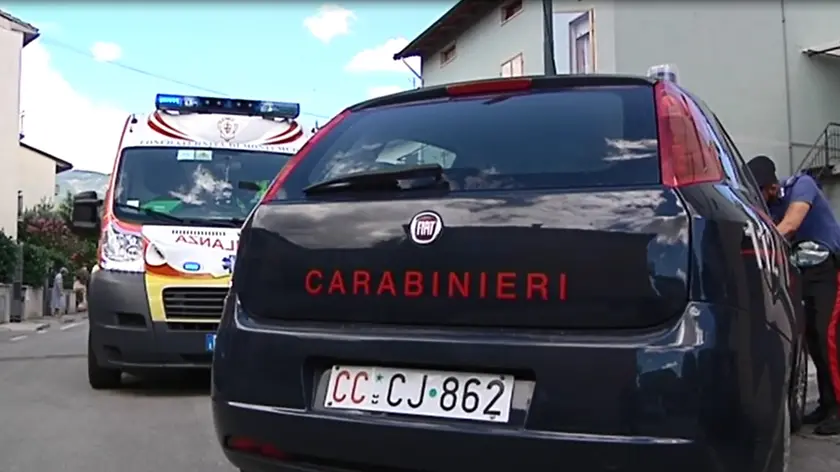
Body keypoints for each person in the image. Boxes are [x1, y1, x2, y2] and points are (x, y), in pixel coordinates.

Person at [747, 155, 840, 436]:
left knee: (829, 338)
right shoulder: (771, 205)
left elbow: (790, 224)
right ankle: (828, 403)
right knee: (812, 338)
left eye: (761, 192)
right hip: (806, 273)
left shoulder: (803, 185)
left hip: (830, 269)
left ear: (772, 187)